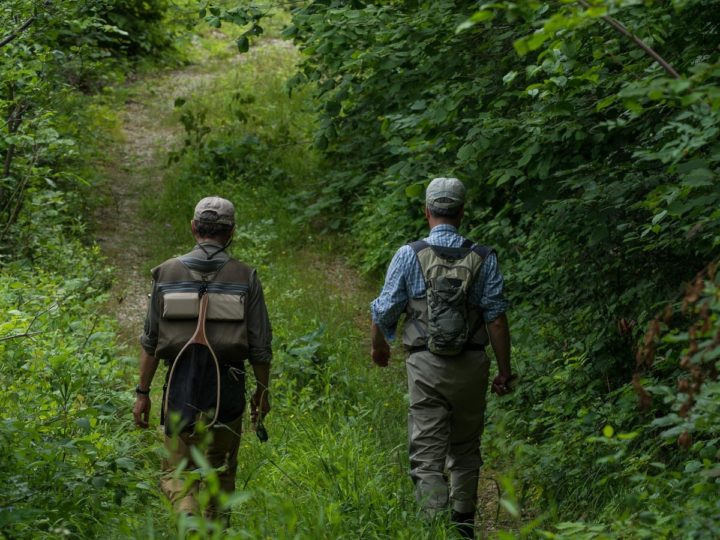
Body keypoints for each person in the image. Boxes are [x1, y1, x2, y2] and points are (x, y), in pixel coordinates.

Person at [370, 177, 513, 538]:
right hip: (472, 366)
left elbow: (384, 310)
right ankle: (463, 527)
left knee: (427, 454)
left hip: (425, 367)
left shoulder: (409, 254)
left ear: (427, 211)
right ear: (462, 212)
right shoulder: (483, 257)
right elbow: (495, 318)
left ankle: (434, 528)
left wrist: (380, 346)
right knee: (465, 448)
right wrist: (504, 371)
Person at [132, 196, 272, 521]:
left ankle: (190, 525)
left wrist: (142, 393)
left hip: (179, 386)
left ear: (194, 228)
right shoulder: (245, 277)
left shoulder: (165, 273)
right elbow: (260, 346)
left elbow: (151, 342)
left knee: (177, 475)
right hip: (228, 390)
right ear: (231, 232)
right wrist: (262, 393)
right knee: (221, 474)